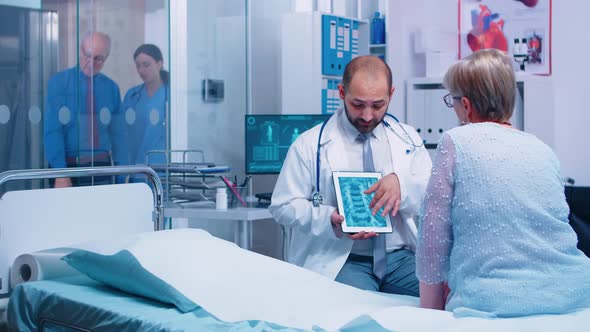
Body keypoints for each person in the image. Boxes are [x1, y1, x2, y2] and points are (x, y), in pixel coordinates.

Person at [416, 48, 590, 317]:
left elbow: (432, 239)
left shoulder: (455, 141)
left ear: (467, 106)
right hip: (575, 292)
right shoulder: (542, 148)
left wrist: (428, 314)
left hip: (491, 301)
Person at [270, 56, 432, 296]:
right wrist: (329, 220)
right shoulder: (309, 145)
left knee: (445, 298)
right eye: (358, 104)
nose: (367, 116)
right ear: (342, 92)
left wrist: (402, 185)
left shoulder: (407, 138)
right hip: (344, 259)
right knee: (358, 310)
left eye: (378, 105)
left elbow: (432, 194)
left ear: (392, 94)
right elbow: (282, 206)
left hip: (399, 258)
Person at [44, 31, 128, 187]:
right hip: (68, 169)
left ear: (106, 58)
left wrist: (123, 174)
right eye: (87, 55)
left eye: (98, 58)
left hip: (103, 169)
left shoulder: (111, 88)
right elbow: (53, 131)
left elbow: (119, 135)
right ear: (80, 51)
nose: (91, 62)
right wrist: (60, 172)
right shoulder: (59, 83)